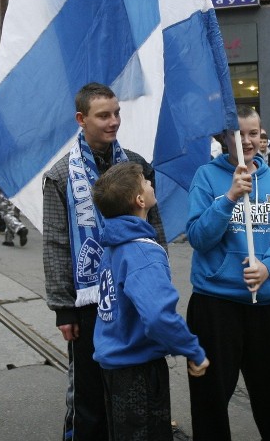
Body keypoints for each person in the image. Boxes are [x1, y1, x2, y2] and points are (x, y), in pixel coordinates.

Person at [42, 82, 166, 441]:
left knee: (135, 389)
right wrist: (63, 309)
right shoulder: (61, 175)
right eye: (103, 115)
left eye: (117, 113)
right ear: (82, 119)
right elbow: (55, 244)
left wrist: (158, 284)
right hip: (89, 303)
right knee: (91, 398)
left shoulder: (138, 167)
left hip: (133, 295)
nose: (113, 122)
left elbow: (154, 230)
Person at [186, 105, 270, 441]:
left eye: (254, 133)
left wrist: (268, 267)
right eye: (239, 134)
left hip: (264, 306)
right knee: (211, 396)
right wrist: (229, 197)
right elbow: (199, 238)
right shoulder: (206, 176)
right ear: (223, 137)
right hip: (216, 304)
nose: (247, 141)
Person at [92, 162, 209, 441]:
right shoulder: (142, 253)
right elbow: (158, 316)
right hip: (138, 371)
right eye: (145, 182)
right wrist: (193, 350)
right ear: (140, 200)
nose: (150, 184)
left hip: (113, 365)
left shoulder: (113, 246)